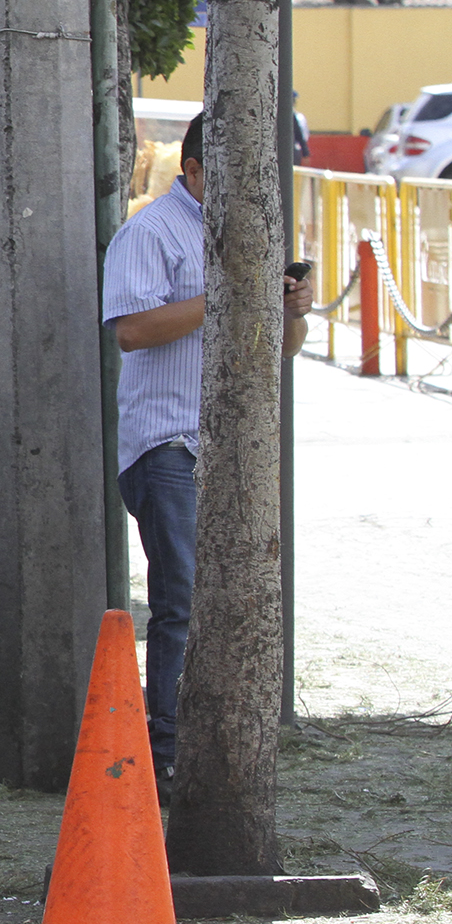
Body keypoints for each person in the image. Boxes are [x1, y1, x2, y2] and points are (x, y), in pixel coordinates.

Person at [102, 112, 312, 795]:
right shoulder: (149, 232)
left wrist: (292, 308)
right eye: (220, 176)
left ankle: (208, 744)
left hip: (228, 447)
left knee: (227, 601)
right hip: (166, 442)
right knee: (182, 603)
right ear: (189, 170)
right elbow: (132, 329)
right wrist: (226, 295)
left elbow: (276, 349)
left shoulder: (249, 237)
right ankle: (165, 751)